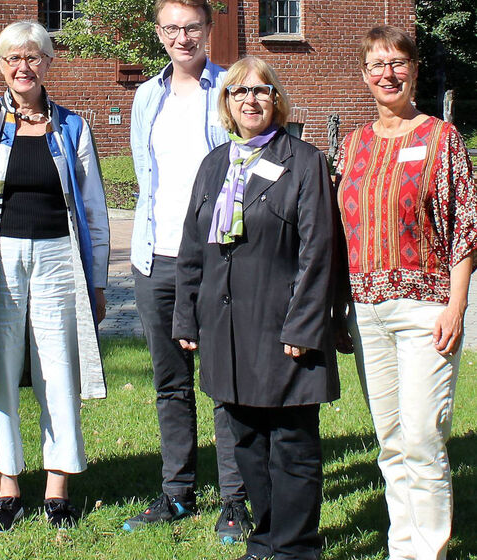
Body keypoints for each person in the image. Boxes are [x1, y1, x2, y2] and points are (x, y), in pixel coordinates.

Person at [173, 56, 339, 560]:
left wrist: (305, 324)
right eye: (239, 92)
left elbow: (319, 249)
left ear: (276, 100)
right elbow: (192, 247)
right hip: (226, 326)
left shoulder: (303, 161)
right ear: (226, 103)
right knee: (245, 438)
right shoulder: (215, 164)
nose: (250, 100)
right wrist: (188, 315)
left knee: (290, 441)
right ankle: (265, 538)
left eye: (261, 91)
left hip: (283, 324)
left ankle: (295, 547)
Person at [0, 20, 109, 532]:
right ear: (0, 65)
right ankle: (6, 486)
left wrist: (99, 281)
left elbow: (93, 210)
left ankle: (58, 486)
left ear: (48, 62)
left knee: (57, 372)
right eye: (12, 59)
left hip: (59, 259)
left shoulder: (71, 126)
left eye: (33, 58)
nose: (23, 68)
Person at [335, 26, 476, 560]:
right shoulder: (354, 143)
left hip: (426, 311)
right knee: (391, 442)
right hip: (366, 313)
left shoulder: (440, 138)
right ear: (365, 75)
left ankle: (430, 549)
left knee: (421, 440)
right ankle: (403, 548)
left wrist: (456, 306)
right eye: (376, 65)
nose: (387, 74)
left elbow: (465, 225)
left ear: (414, 71)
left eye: (397, 63)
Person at [126, 0, 251, 540]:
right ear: (159, 33)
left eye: (192, 27)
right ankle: (176, 492)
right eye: (172, 28)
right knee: (169, 382)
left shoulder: (232, 87)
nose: (182, 37)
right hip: (156, 258)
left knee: (225, 379)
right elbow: (143, 173)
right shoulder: (146, 96)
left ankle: (235, 499)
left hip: (218, 257)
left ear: (208, 29)